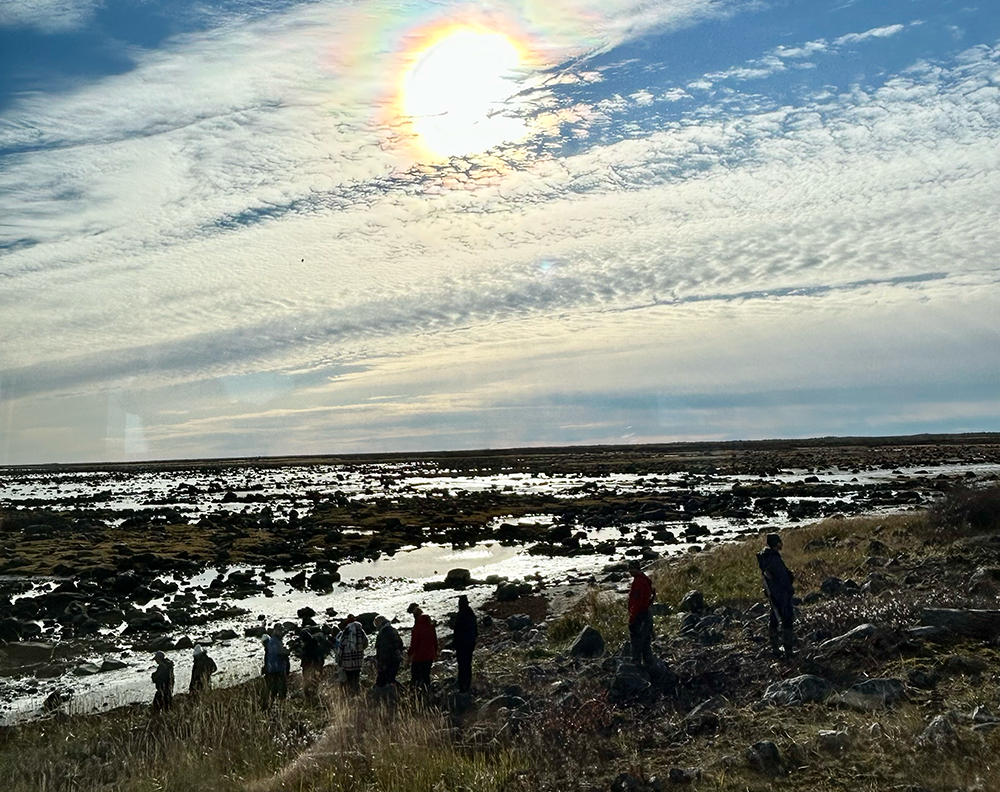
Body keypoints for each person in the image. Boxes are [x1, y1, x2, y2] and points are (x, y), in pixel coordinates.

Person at [758, 532, 795, 657]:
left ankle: (775, 647)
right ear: (777, 543)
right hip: (781, 594)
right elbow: (783, 578)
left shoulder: (765, 557)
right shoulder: (774, 559)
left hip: (772, 593)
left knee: (774, 620)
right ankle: (788, 650)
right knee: (787, 620)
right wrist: (790, 590)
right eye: (780, 541)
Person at [627, 559, 655, 667]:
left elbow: (636, 602)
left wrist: (632, 618)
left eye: (631, 569)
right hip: (646, 613)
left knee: (637, 640)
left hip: (640, 615)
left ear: (635, 569)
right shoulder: (644, 579)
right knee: (646, 639)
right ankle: (649, 662)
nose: (629, 571)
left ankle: (636, 663)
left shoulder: (639, 583)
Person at [406, 603, 438, 689]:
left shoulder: (417, 628)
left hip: (419, 656)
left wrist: (409, 655)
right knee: (426, 676)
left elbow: (414, 644)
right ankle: (427, 692)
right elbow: (435, 640)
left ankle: (417, 694)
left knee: (416, 677)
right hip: (429, 655)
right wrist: (435, 652)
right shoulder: (430, 626)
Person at [452, 595, 478, 693]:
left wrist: (455, 643)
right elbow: (475, 631)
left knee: (462, 665)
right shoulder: (471, 614)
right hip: (470, 643)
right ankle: (467, 684)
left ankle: (462, 686)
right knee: (467, 665)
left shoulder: (461, 615)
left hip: (462, 644)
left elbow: (457, 631)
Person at [261, 624, 291, 708]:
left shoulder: (274, 641)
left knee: (274, 689)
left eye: (282, 631)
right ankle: (278, 706)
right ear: (275, 631)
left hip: (274, 668)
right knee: (280, 689)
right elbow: (279, 654)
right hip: (277, 668)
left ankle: (273, 705)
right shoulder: (274, 641)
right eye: (280, 631)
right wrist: (287, 652)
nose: (281, 633)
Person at [336, 615, 368, 690]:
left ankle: (351, 695)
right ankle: (357, 694)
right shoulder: (361, 631)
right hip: (358, 661)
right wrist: (360, 650)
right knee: (356, 678)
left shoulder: (346, 632)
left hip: (348, 661)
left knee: (349, 679)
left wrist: (339, 659)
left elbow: (341, 646)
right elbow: (366, 643)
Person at [299, 627, 330, 700]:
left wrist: (318, 668)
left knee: (311, 682)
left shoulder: (310, 646)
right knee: (312, 682)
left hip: (311, 666)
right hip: (311, 666)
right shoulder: (313, 644)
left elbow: (318, 657)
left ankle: (311, 697)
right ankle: (311, 696)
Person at [373, 615, 404, 688]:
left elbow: (383, 649)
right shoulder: (393, 630)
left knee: (384, 681)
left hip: (388, 660)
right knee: (390, 679)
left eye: (376, 625)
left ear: (379, 623)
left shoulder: (384, 633)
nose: (376, 628)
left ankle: (387, 695)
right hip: (395, 658)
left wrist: (381, 662)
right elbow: (400, 644)